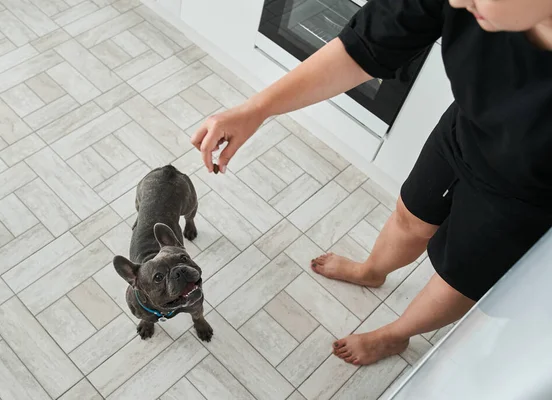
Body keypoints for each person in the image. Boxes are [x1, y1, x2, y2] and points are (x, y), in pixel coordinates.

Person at [191, 0, 552, 366]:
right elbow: (366, 45)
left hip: (528, 194)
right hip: (465, 130)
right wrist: (257, 109)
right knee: (410, 215)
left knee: (456, 278)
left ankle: (395, 336)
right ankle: (372, 271)